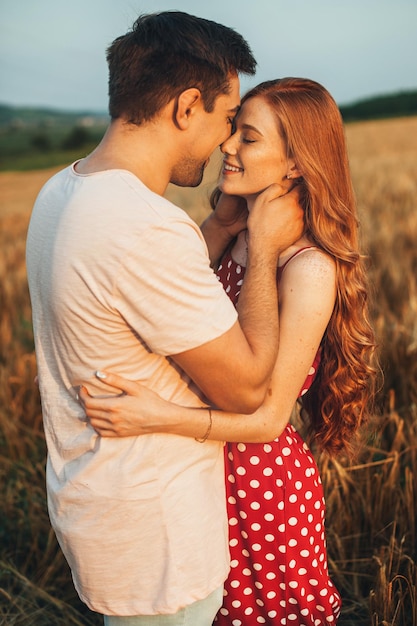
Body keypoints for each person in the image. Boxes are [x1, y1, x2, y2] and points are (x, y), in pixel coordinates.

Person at [26, 11, 304, 626]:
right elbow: (249, 387)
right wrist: (260, 248)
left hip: (101, 510)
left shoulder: (63, 191)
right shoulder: (144, 228)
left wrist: (220, 227)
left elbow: (141, 296)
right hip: (159, 542)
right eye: (226, 117)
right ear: (186, 107)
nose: (226, 140)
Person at [79, 78, 378, 625]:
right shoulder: (233, 231)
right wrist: (223, 225)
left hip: (259, 488)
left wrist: (154, 416)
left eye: (249, 138)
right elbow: (179, 280)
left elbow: (266, 421)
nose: (227, 146)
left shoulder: (306, 267)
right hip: (202, 471)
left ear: (294, 164)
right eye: (233, 131)